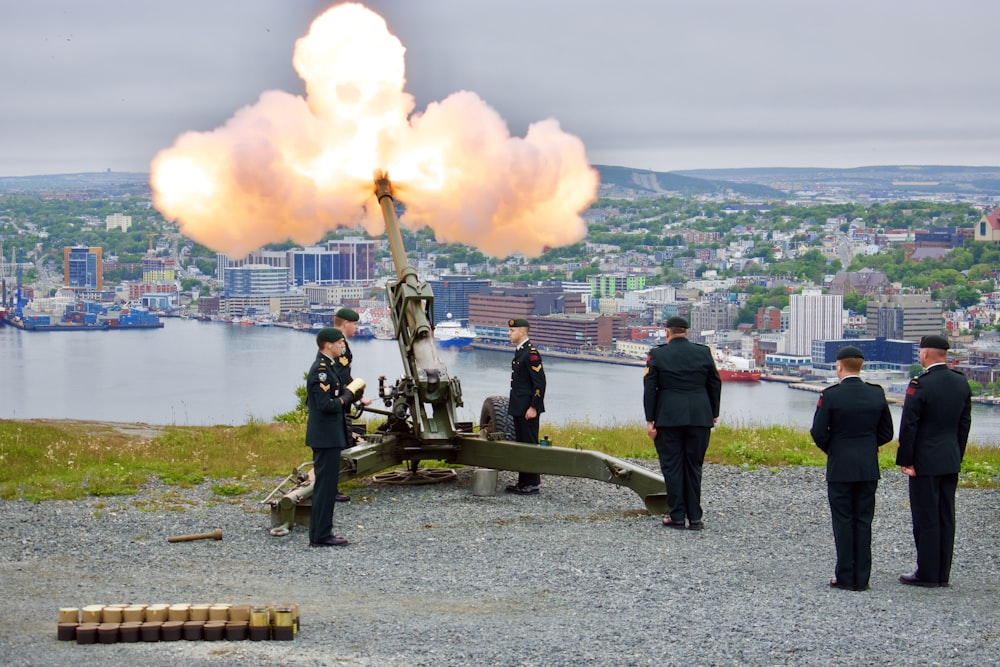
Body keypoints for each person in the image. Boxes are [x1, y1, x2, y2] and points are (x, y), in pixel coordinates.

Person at [809, 346, 894, 591]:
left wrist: (834, 450)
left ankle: (845, 575)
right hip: (868, 466)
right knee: (864, 520)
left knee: (843, 520)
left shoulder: (830, 395)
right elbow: (886, 433)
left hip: (840, 466)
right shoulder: (876, 394)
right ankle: (862, 577)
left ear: (839, 366)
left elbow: (818, 432)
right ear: (861, 366)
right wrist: (867, 446)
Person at [896, 334, 972, 588]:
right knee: (946, 515)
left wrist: (906, 460)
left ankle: (927, 573)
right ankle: (942, 572)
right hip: (949, 458)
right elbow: (964, 425)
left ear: (926, 353)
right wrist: (956, 455)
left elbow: (909, 425)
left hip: (924, 461)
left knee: (926, 515)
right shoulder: (961, 383)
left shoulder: (920, 384)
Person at [643, 316, 721, 530]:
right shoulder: (703, 352)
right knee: (694, 466)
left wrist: (650, 420)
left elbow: (650, 388)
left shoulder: (657, 355)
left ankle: (677, 516)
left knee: (672, 467)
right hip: (700, 416)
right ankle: (695, 517)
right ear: (686, 332)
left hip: (668, 418)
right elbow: (714, 383)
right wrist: (713, 413)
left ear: (667, 333)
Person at [304, 327, 364, 547]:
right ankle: (320, 535)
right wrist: (347, 397)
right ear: (328, 345)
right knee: (325, 488)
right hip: (325, 437)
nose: (342, 346)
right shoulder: (320, 370)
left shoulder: (329, 367)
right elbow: (326, 404)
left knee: (328, 488)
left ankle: (323, 532)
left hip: (330, 436)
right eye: (339, 342)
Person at [331, 307, 372, 502]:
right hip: (340, 401)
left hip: (339, 398)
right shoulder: (341, 345)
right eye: (355, 324)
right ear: (345, 324)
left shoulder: (332, 341)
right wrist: (354, 395)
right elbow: (342, 375)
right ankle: (332, 487)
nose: (356, 328)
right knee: (339, 443)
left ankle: (331, 484)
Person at [505, 318, 546, 495]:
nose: (509, 333)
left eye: (512, 331)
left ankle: (532, 483)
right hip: (519, 407)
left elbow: (540, 382)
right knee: (522, 445)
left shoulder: (531, 353)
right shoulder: (520, 352)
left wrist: (533, 407)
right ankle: (523, 482)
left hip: (528, 409)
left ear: (522, 332)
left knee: (529, 444)